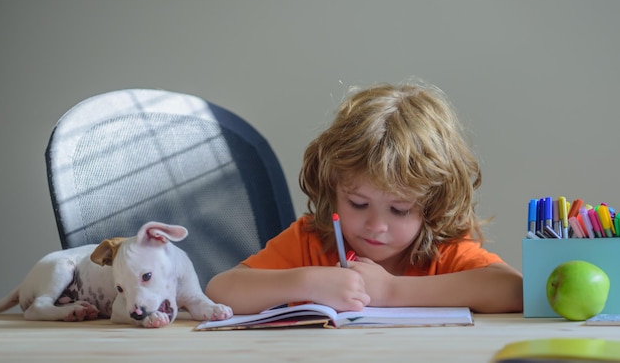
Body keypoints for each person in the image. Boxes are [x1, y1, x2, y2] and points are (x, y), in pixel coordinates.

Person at [206, 81, 523, 315]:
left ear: (432, 205)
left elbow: (514, 290)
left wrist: (390, 290)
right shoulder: (313, 240)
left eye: (399, 210)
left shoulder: (440, 247)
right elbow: (220, 290)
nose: (376, 226)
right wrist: (307, 282)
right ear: (333, 188)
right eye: (358, 203)